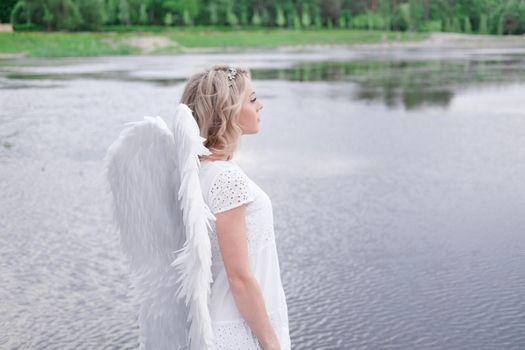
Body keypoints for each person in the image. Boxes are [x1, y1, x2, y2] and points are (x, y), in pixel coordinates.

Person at [180, 65, 291, 350]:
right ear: (226, 110)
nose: (260, 105)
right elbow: (239, 278)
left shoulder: (195, 172)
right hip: (240, 331)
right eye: (252, 99)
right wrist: (271, 343)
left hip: (218, 325)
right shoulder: (227, 178)